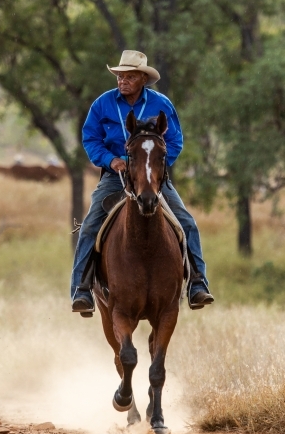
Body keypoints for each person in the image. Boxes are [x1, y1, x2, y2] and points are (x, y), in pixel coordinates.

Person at [71, 50, 214, 314]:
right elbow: (90, 138)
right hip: (115, 179)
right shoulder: (102, 104)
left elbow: (175, 141)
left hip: (152, 179)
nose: (122, 81)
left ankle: (197, 283)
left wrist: (152, 165)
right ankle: (80, 290)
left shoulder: (162, 105)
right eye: (119, 76)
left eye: (129, 76)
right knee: (90, 225)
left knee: (187, 223)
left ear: (142, 79)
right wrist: (110, 160)